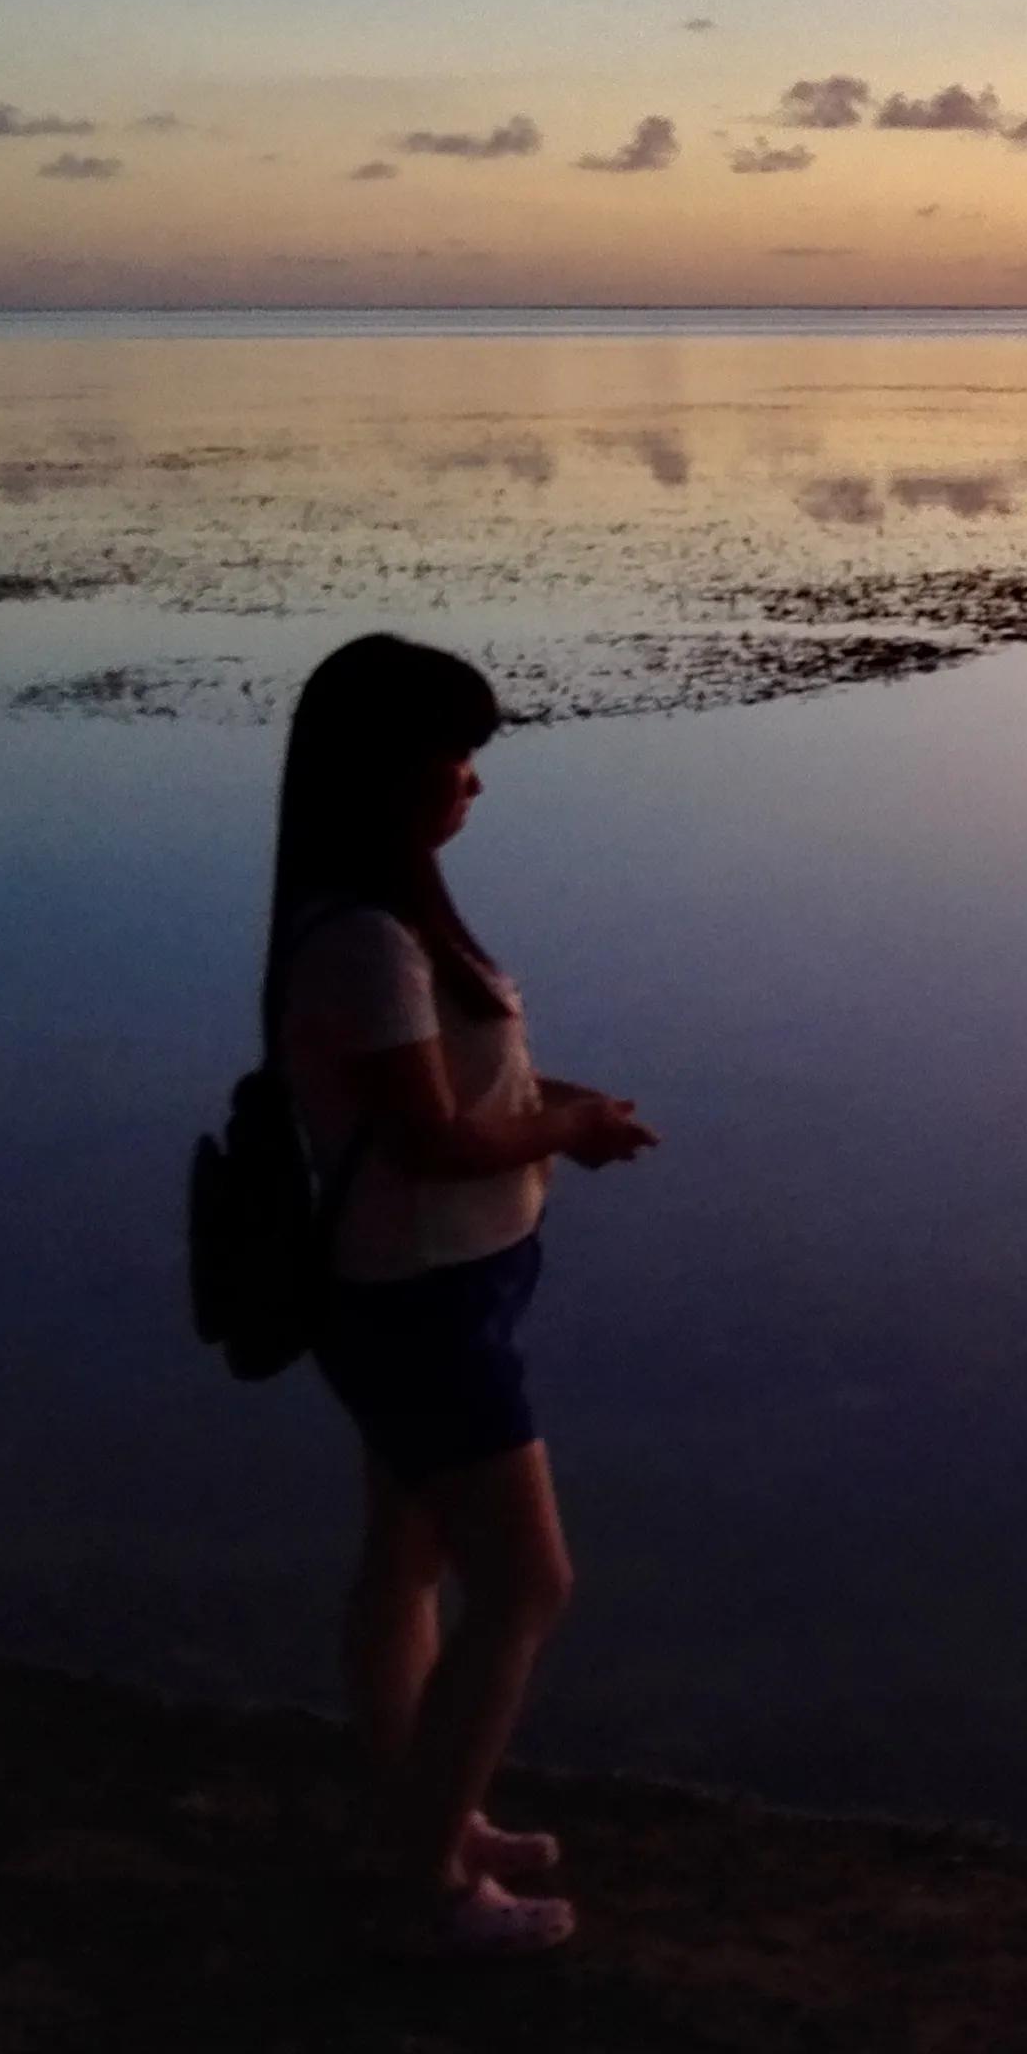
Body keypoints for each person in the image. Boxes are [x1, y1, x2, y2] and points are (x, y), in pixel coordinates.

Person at [264, 633, 656, 1959]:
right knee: (528, 1586)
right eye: (454, 757)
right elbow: (430, 1140)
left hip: (432, 1289)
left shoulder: (375, 920)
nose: (474, 782)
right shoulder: (368, 940)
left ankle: (423, 1814)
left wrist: (565, 1106)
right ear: (387, 774)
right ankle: (429, 1888)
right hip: (422, 1306)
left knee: (409, 1561)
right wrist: (563, 1132)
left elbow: (453, 1096)